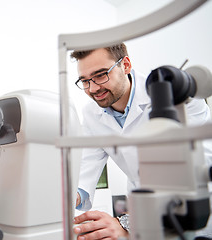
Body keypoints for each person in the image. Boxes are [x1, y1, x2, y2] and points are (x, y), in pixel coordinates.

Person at [70, 43, 212, 240]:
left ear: (125, 65)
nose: (93, 88)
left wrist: (126, 223)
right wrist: (69, 196)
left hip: (197, 211)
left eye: (101, 74)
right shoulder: (91, 112)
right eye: (84, 81)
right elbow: (87, 163)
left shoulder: (177, 95)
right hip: (142, 217)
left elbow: (199, 165)